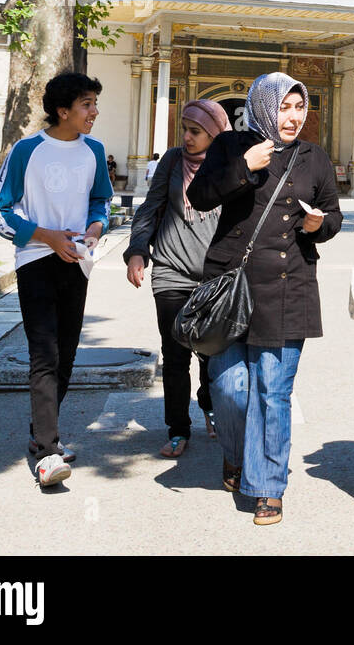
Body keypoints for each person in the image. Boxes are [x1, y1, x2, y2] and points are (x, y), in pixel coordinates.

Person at [188, 73, 342, 525]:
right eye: (283, 107)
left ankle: (269, 487)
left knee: (274, 393)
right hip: (232, 289)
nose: (293, 117)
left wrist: (319, 226)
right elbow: (199, 197)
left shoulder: (315, 158)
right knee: (231, 389)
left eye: (299, 108)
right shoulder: (233, 146)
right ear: (262, 106)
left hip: (288, 286)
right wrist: (244, 167)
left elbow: (331, 215)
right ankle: (236, 455)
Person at [0, 72, 113, 488]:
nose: (94, 112)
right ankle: (48, 452)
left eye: (94, 103)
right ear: (63, 111)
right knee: (45, 353)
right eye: (87, 104)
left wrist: (94, 231)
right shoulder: (27, 151)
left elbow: (100, 201)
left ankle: (42, 437)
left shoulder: (94, 150)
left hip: (77, 261)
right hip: (36, 259)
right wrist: (45, 236)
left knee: (68, 353)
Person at [124, 100, 231, 458]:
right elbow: (150, 208)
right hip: (170, 271)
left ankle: (209, 403)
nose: (186, 136)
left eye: (195, 131)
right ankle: (177, 429)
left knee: (213, 353)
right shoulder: (172, 161)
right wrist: (137, 251)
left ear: (214, 134)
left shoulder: (229, 164)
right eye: (184, 128)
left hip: (214, 278)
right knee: (175, 355)